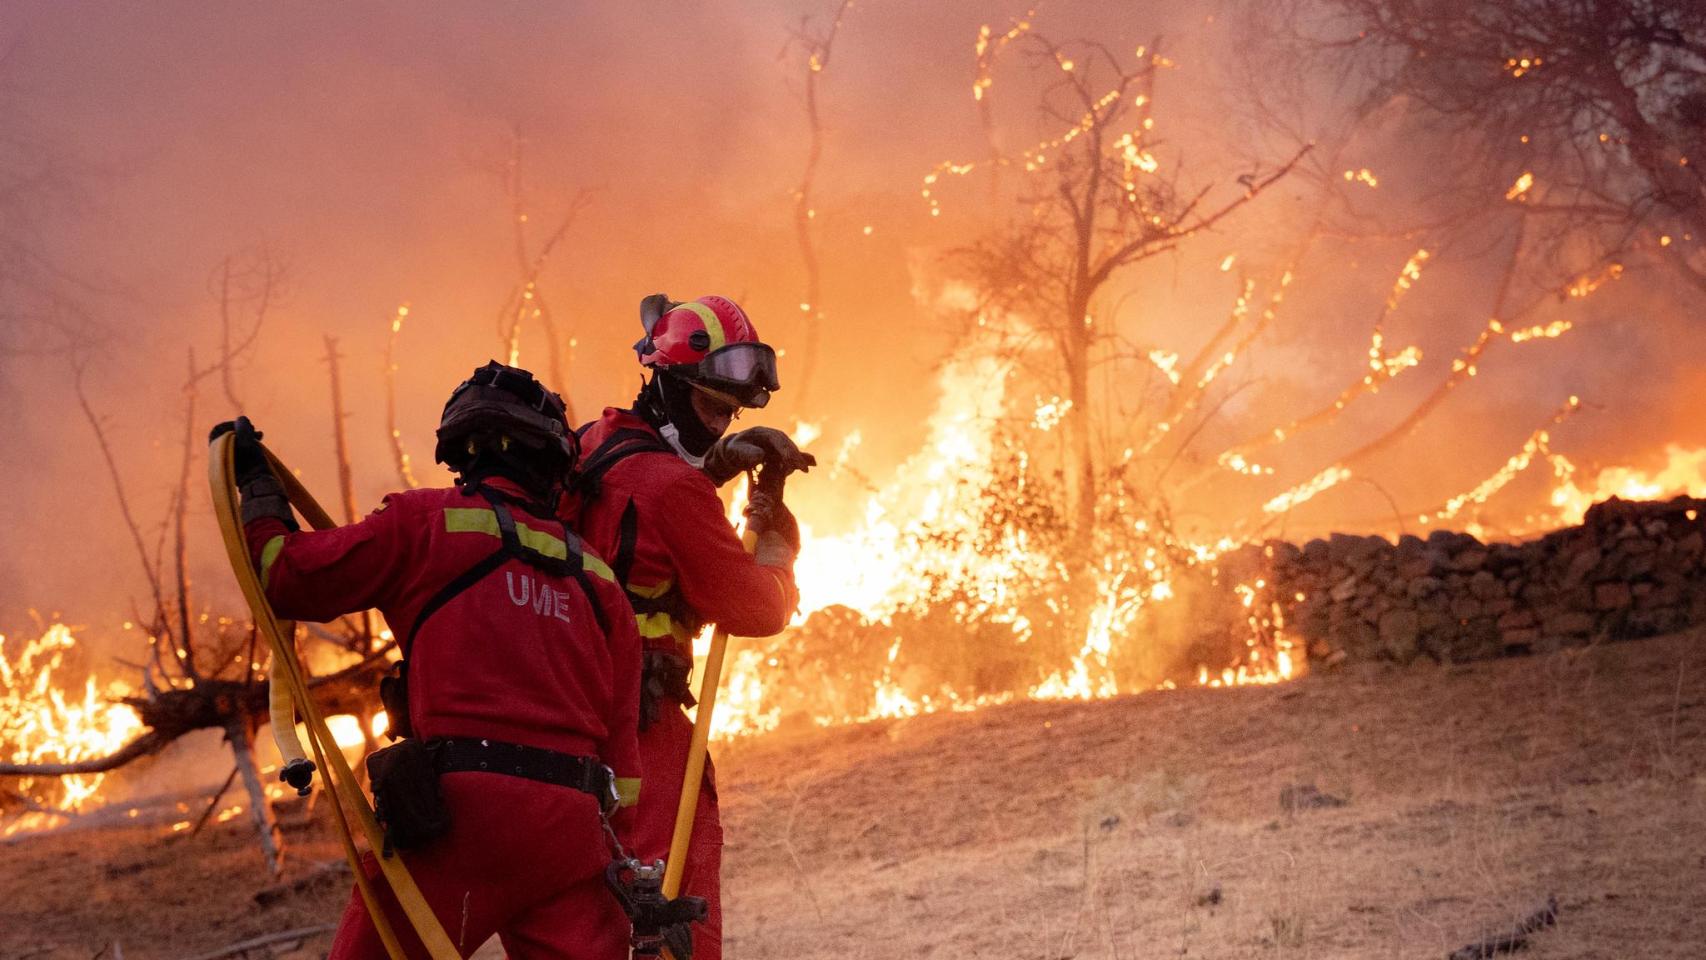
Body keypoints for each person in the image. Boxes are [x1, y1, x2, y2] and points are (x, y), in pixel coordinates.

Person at [215, 361, 644, 960]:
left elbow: (285, 577)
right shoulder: (598, 578)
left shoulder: (423, 523)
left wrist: (260, 492)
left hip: (455, 821)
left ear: (461, 453)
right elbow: (624, 768)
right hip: (571, 832)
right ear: (553, 464)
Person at [569, 294, 813, 960]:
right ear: (670, 384)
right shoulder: (675, 490)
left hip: (578, 711)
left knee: (606, 914)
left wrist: (725, 461)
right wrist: (779, 551)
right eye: (712, 408)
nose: (720, 422)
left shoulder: (596, 441)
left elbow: (635, 508)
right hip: (647, 727)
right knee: (680, 895)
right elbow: (756, 610)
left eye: (731, 413)